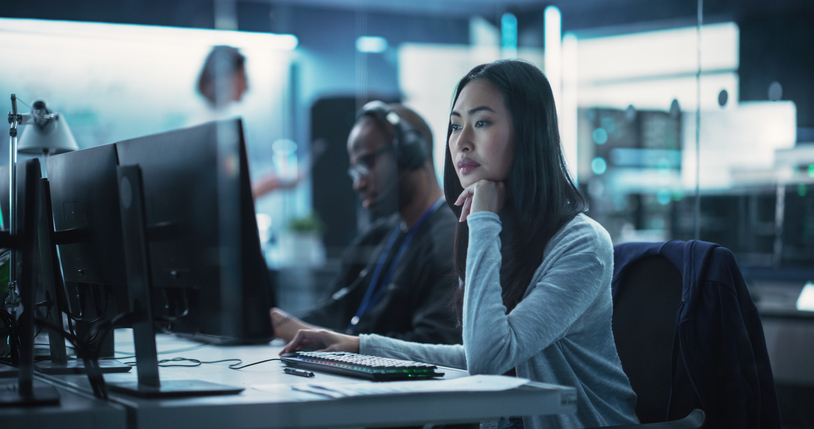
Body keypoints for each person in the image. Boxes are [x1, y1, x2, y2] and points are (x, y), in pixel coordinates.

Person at [280, 60, 640, 429]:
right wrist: (360, 347)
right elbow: (474, 354)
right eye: (455, 126)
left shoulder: (582, 243)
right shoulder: (491, 233)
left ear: (528, 133)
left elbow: (488, 360)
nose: (462, 141)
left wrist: (483, 221)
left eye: (481, 122)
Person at [270, 102, 461, 345]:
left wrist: (344, 343)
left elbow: (434, 344)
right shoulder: (378, 236)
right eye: (355, 172)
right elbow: (334, 312)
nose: (358, 184)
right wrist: (276, 324)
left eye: (366, 164)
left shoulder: (448, 240)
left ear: (410, 153)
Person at [193, 45, 300, 198]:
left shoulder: (220, 123)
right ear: (223, 78)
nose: (247, 85)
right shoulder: (210, 128)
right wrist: (274, 182)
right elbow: (229, 198)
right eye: (242, 77)